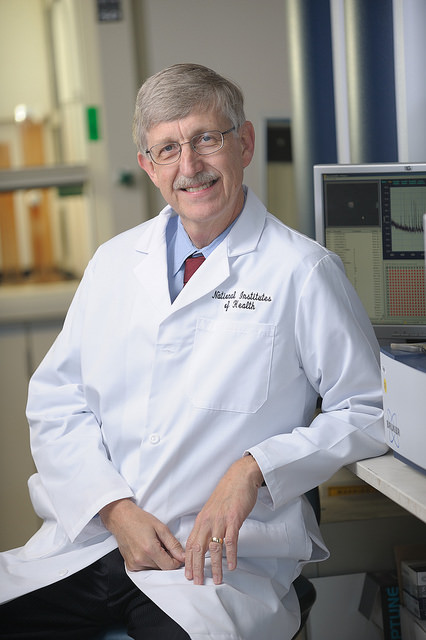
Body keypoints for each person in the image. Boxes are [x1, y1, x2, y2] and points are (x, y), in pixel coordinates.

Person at [0, 63, 387, 639]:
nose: (190, 166)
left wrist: (255, 467)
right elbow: (58, 403)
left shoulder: (302, 272)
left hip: (213, 569)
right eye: (167, 149)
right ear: (148, 167)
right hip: (93, 540)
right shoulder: (113, 263)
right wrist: (113, 508)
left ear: (245, 142)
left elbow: (367, 409)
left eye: (208, 138)